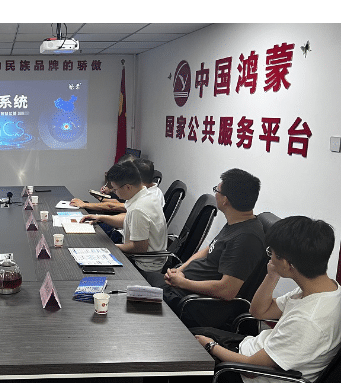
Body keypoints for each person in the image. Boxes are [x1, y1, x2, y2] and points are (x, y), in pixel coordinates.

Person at [191, 216, 340, 383]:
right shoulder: (321, 287)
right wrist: (272, 276)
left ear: (287, 264)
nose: (269, 257)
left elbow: (250, 369)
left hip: (244, 373)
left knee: (182, 355)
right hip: (250, 349)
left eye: (271, 252)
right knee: (189, 335)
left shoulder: (309, 321)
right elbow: (259, 312)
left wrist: (211, 346)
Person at [144, 168, 265, 323]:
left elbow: (227, 290)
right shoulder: (237, 222)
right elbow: (209, 249)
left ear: (225, 200)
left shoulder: (246, 238)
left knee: (135, 291)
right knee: (141, 280)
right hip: (182, 285)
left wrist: (183, 282)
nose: (215, 194)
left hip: (190, 302)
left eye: (217, 190)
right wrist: (180, 270)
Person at [80, 161, 167, 271]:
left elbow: (139, 247)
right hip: (146, 257)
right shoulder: (147, 195)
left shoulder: (138, 209)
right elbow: (128, 221)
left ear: (128, 187)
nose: (115, 193)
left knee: (91, 262)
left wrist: (110, 247)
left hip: (142, 264)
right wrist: (101, 218)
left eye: (115, 189)